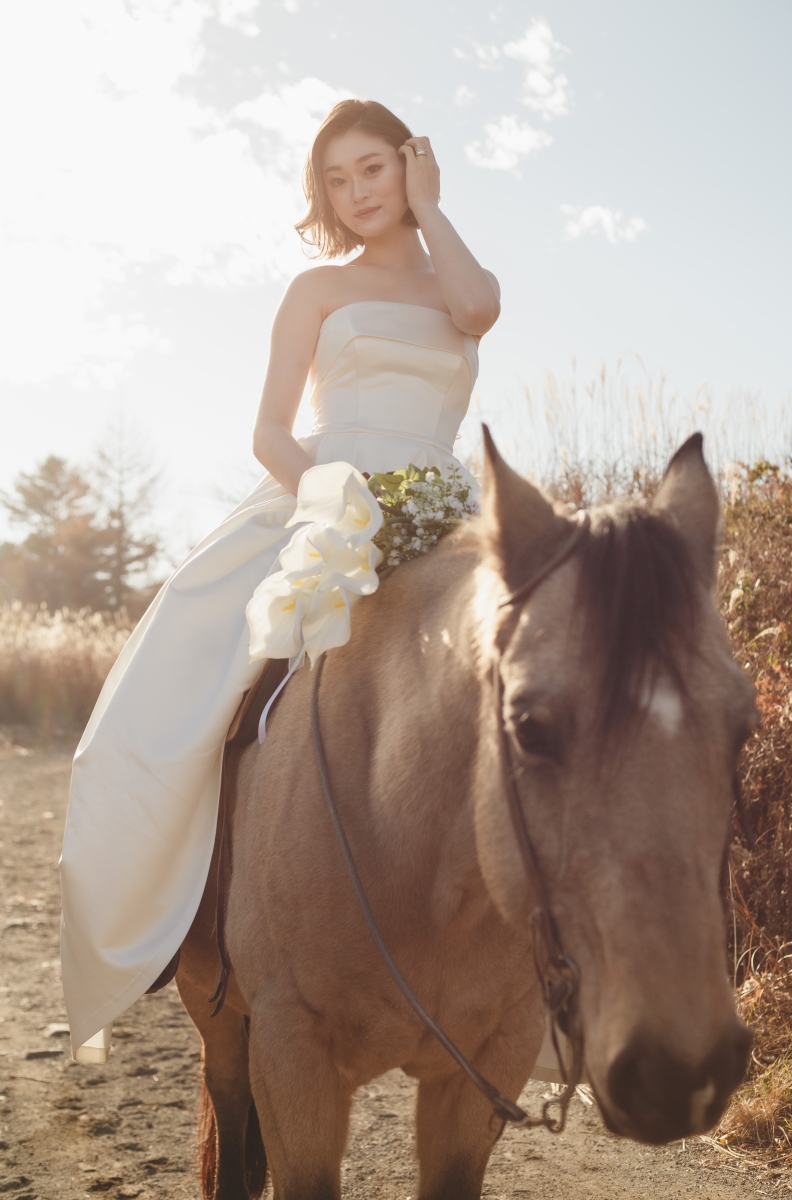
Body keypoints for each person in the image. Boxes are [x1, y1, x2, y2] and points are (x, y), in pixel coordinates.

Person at [60, 99, 500, 1063]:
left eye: (373, 168)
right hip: (322, 502)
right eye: (337, 180)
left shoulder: (458, 281)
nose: (357, 192)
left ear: (410, 165)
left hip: (440, 517)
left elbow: (477, 313)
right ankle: (190, 918)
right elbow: (268, 430)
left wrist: (432, 208)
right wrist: (337, 503)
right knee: (189, 697)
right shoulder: (315, 289)